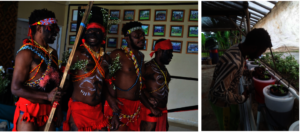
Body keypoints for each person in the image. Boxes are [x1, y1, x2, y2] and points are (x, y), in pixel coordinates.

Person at [62, 10, 120, 131]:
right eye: (89, 31)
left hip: (98, 111)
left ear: (103, 35)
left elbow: (108, 85)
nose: (92, 35)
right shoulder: (77, 54)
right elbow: (62, 79)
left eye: (97, 32)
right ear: (85, 35)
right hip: (79, 111)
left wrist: (114, 111)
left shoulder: (106, 59)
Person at [208, 28, 272, 130]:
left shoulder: (239, 49)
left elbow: (235, 72)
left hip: (230, 94)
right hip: (221, 102)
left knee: (235, 118)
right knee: (227, 127)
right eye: (261, 52)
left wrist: (251, 73)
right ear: (253, 48)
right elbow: (219, 92)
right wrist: (242, 98)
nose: (260, 55)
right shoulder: (233, 62)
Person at [11, 9, 62, 131]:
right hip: (28, 111)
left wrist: (58, 109)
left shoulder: (53, 54)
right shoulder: (26, 53)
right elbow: (15, 88)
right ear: (39, 29)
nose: (56, 31)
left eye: (56, 27)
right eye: (52, 27)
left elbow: (56, 86)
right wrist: (47, 96)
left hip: (47, 111)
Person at [104, 21, 161, 131]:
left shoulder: (141, 56)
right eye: (136, 36)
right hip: (119, 105)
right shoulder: (118, 54)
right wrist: (110, 99)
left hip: (135, 107)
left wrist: (149, 100)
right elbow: (103, 79)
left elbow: (138, 84)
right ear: (127, 38)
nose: (141, 39)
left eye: (143, 35)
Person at [140, 39, 173, 131]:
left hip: (162, 110)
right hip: (150, 110)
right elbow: (138, 88)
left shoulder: (163, 68)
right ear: (159, 51)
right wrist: (151, 107)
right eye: (169, 52)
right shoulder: (148, 67)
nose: (171, 55)